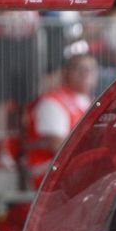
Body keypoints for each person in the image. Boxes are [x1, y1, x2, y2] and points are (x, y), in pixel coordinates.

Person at [24, 52, 99, 187]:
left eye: (91, 70)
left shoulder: (92, 102)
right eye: (80, 69)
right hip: (50, 173)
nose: (86, 74)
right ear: (65, 72)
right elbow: (58, 146)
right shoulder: (52, 102)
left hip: (79, 170)